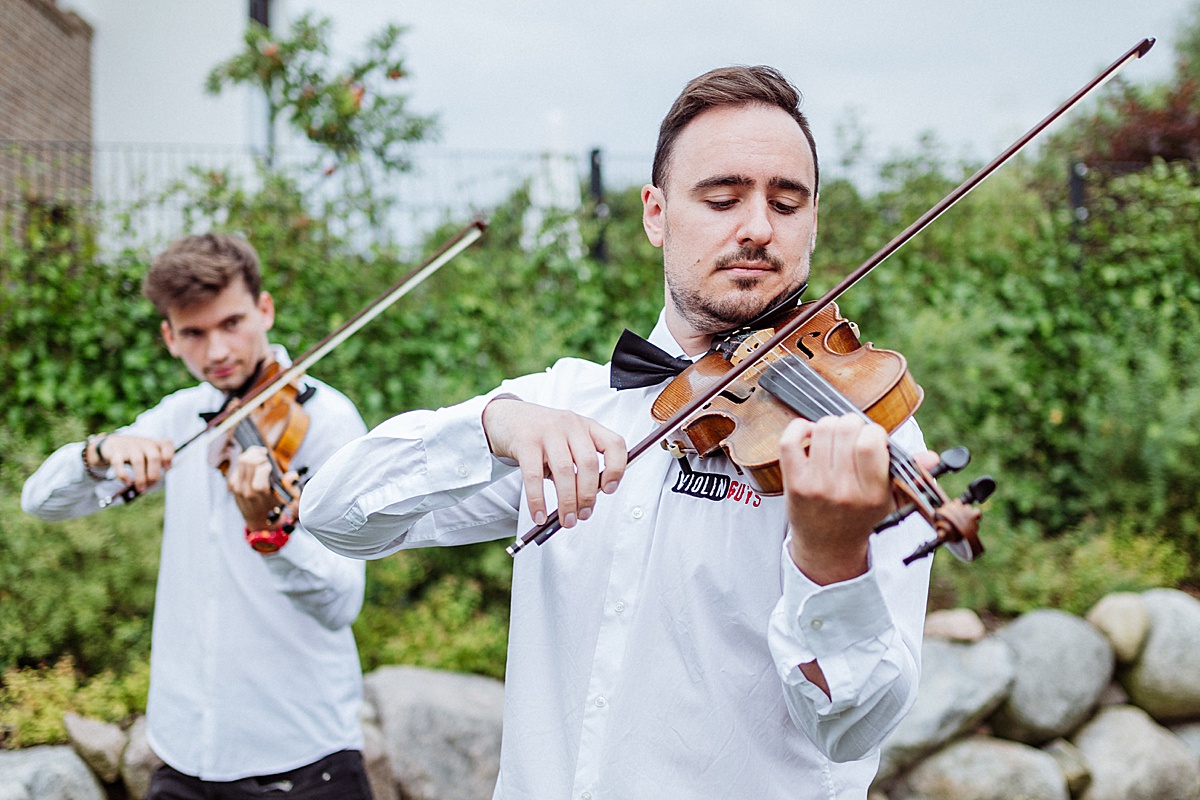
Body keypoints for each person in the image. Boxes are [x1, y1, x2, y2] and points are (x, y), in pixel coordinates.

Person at [301, 66, 937, 799]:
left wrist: (831, 563)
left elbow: (852, 726)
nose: (758, 228)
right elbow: (334, 515)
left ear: (813, 220)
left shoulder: (852, 432)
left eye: (786, 203)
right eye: (723, 198)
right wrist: (492, 425)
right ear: (656, 214)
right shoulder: (565, 404)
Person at [21, 233, 374, 799]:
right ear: (169, 337)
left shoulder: (328, 423)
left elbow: (341, 602)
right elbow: (40, 501)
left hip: (301, 758)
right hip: (185, 753)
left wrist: (273, 534)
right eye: (194, 333)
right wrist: (98, 453)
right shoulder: (180, 417)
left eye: (231, 323)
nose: (216, 352)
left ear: (265, 309)